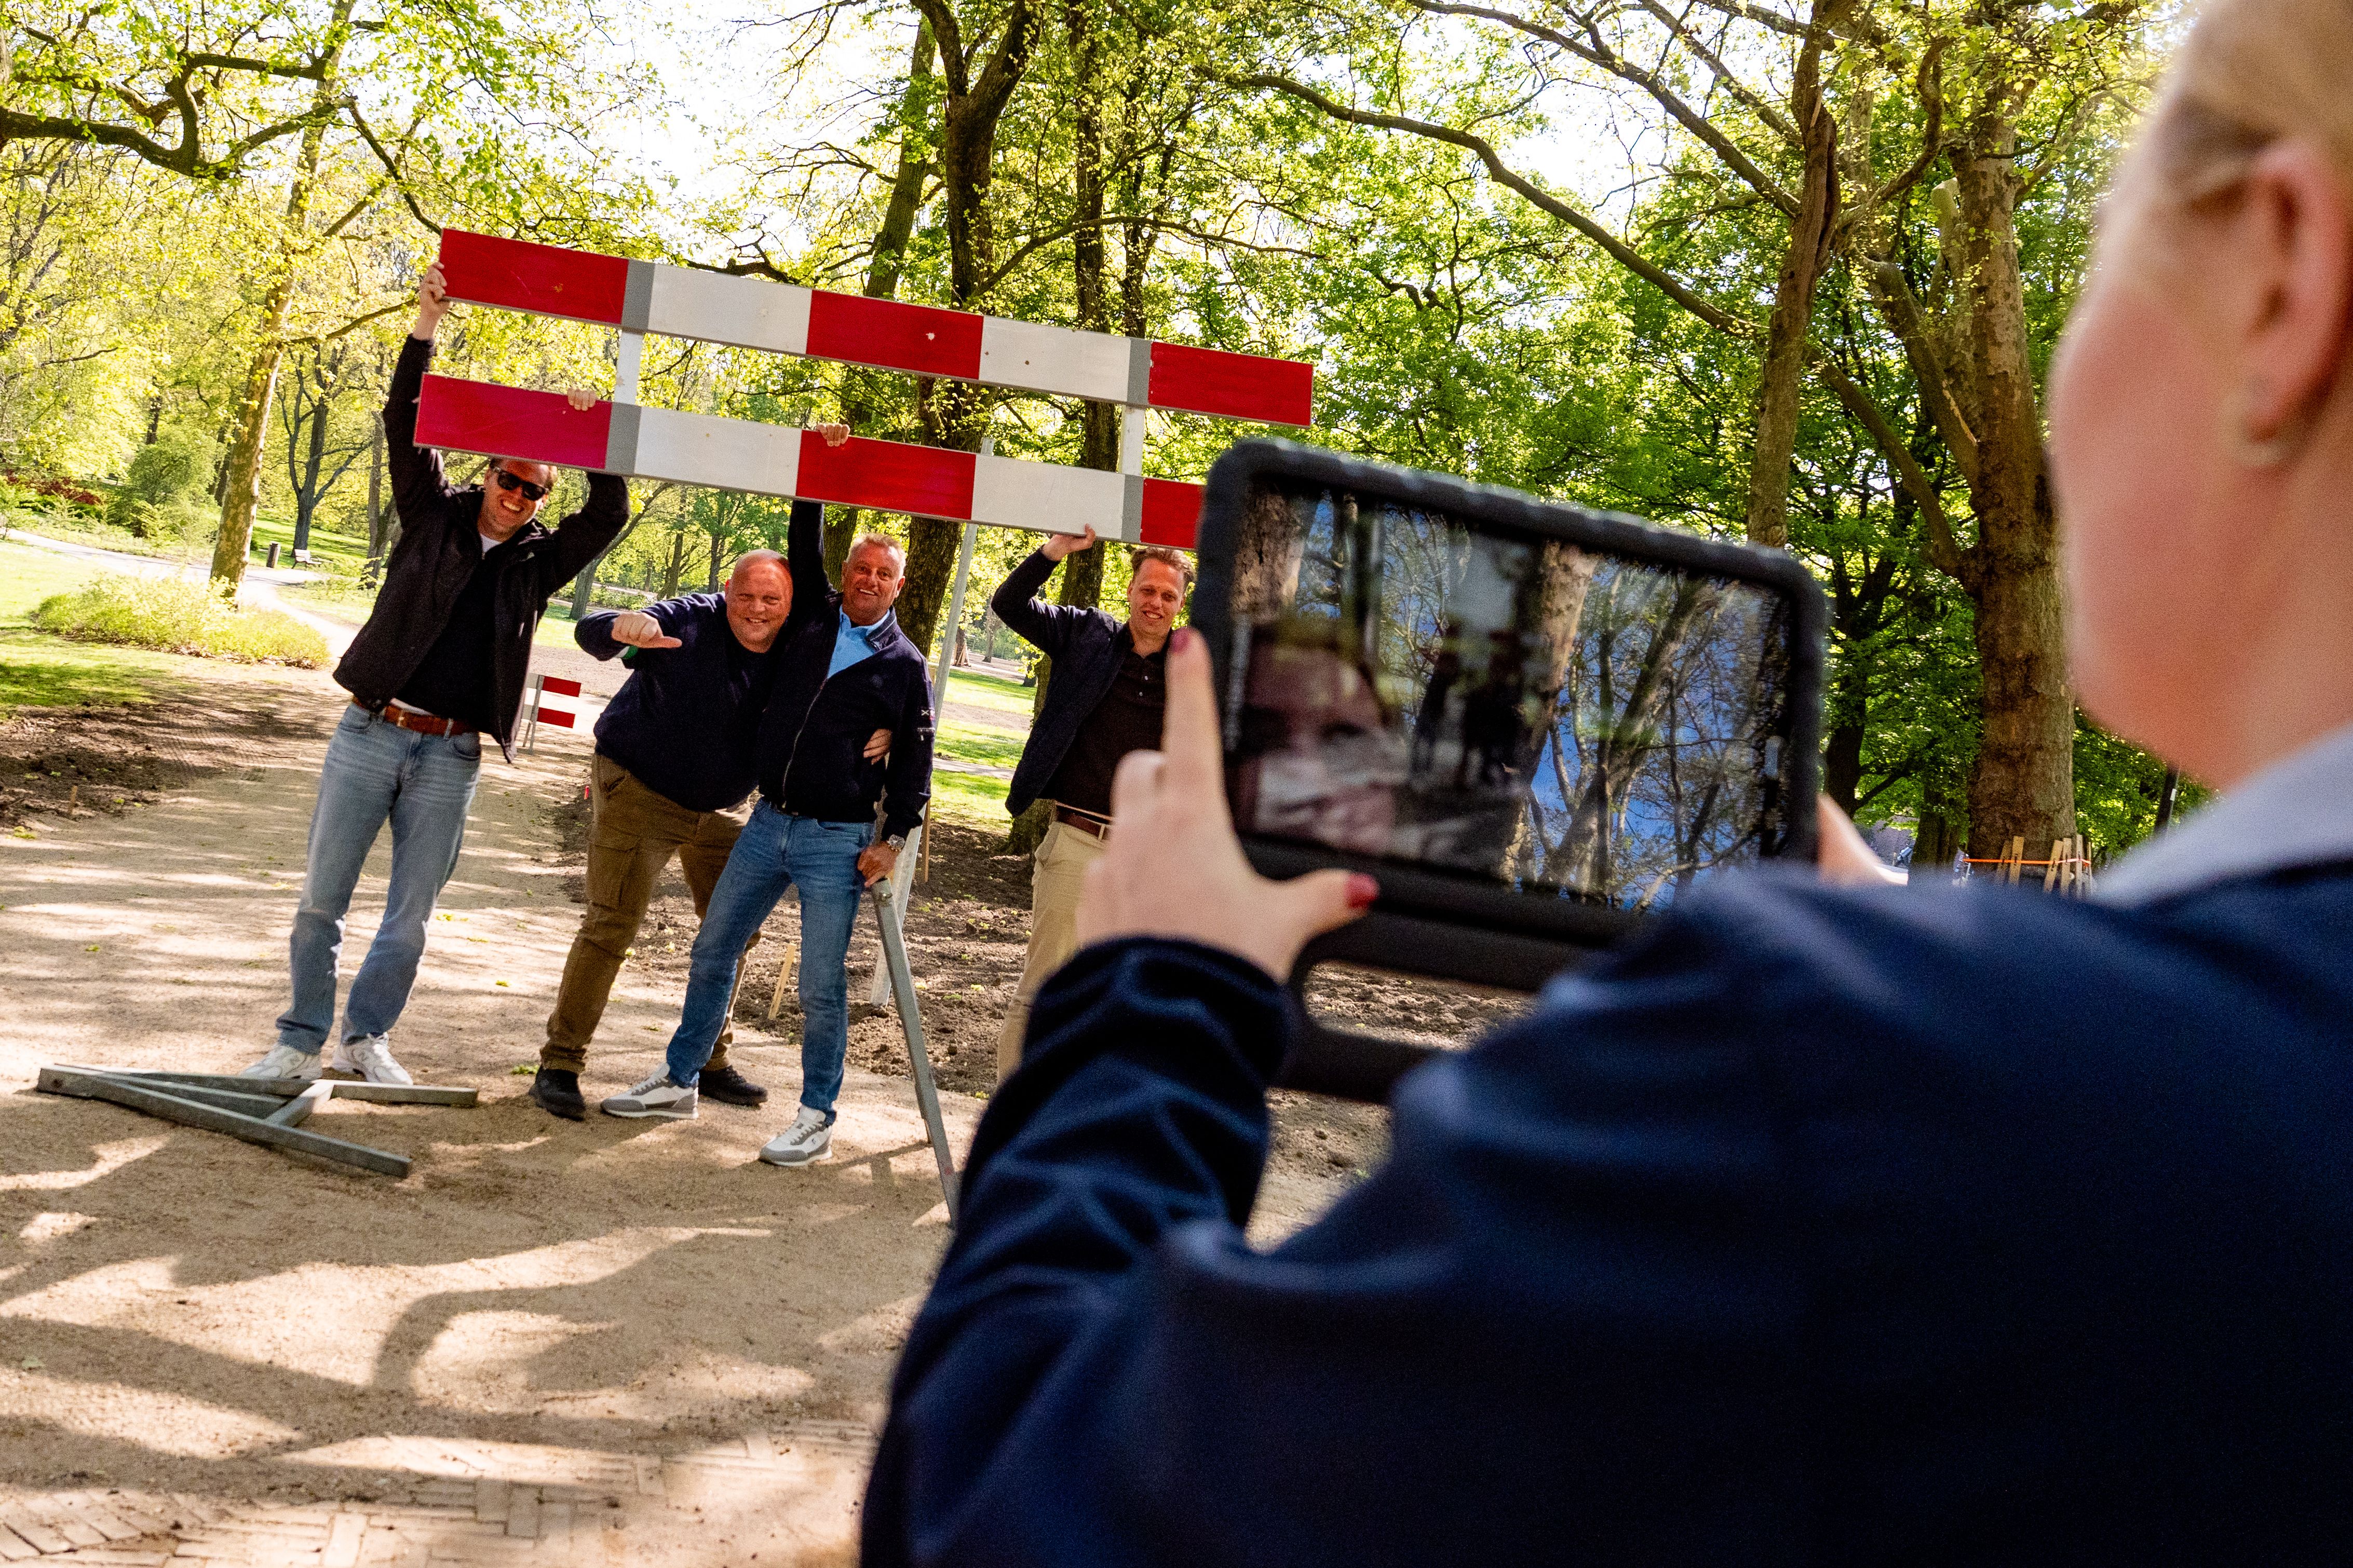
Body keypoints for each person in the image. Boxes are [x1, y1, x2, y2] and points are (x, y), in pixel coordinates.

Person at [860, 2, 2353, 1557]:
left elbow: (1003, 1496)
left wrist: (1158, 997)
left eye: (2100, 253)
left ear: (2280, 275)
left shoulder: (1847, 1070)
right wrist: (1928, 953)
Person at [242, 263, 628, 1087]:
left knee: (409, 918)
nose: (520, 496)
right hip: (372, 733)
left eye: (535, 488)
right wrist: (426, 325)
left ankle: (365, 1039)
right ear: (486, 473)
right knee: (321, 902)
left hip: (451, 757)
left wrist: (592, 441)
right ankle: (300, 1036)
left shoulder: (538, 562)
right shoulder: (431, 514)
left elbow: (610, 512)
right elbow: (401, 418)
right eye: (510, 479)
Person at [528, 430, 891, 1121]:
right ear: (727, 591)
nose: (758, 609)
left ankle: (705, 1059)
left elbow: (867, 667)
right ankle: (560, 1063)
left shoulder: (800, 641)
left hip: (725, 810)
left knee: (732, 935)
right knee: (613, 923)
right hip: (640, 788)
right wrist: (619, 628)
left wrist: (893, 726)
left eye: (772, 601)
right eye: (747, 596)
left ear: (790, 608)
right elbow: (598, 630)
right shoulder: (688, 620)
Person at [601, 533, 935, 1170]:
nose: (869, 580)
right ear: (845, 574)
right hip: (766, 823)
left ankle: (816, 1117)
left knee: (819, 987)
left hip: (835, 841)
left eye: (883, 573)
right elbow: (797, 544)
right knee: (712, 949)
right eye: (860, 569)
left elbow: (916, 767)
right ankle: (680, 1079)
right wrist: (817, 458)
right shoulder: (808, 620)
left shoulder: (904, 665)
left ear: (899, 586)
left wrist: (893, 841)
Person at [987, 529, 1190, 1077]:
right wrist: (1054, 552)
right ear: (1129, 591)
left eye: (1167, 596)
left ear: (1180, 604)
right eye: (1147, 590)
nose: (1155, 602)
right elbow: (1007, 605)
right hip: (1077, 842)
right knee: (1044, 989)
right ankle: (1009, 1126)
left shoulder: (1195, 666)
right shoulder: (1084, 634)